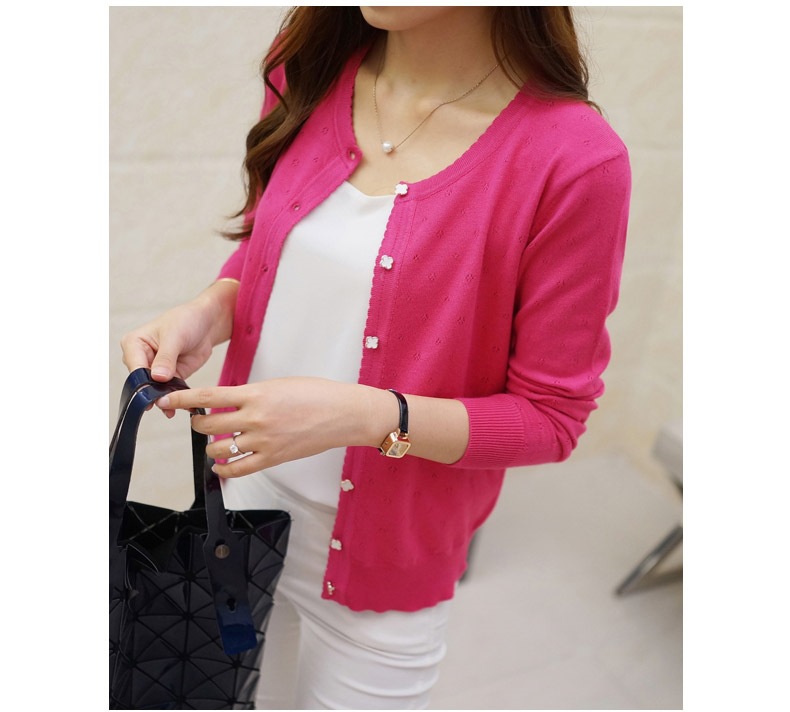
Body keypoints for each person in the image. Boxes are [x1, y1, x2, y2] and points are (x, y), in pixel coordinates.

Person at [120, 6, 631, 709]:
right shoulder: (307, 65)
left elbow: (551, 419)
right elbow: (278, 246)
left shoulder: (575, 160)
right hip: (237, 511)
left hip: (387, 571)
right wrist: (214, 305)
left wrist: (365, 416)